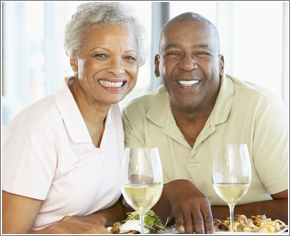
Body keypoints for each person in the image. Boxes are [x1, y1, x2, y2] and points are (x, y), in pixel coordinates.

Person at [122, 12, 288, 234]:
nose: (187, 64)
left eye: (201, 52)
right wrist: (171, 192)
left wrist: (205, 214)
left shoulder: (262, 109)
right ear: (157, 65)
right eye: (173, 53)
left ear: (220, 64)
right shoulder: (136, 114)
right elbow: (134, 211)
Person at [2, 2, 148, 234]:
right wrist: (56, 232)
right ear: (74, 60)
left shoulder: (114, 115)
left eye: (129, 57)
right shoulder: (37, 131)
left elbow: (117, 207)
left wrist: (95, 221)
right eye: (101, 55)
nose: (118, 69)